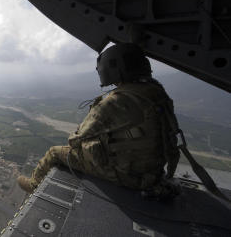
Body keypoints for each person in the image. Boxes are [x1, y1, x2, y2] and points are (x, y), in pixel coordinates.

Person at [17, 43, 181, 196]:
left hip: (128, 176)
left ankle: (33, 185)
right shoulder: (156, 92)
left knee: (54, 152)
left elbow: (75, 140)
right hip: (154, 173)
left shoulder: (117, 101)